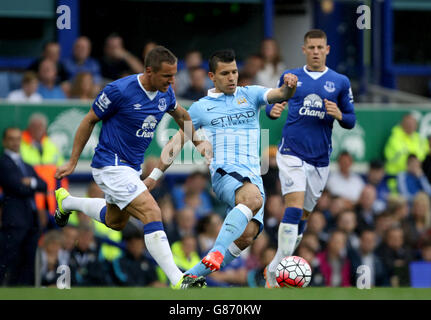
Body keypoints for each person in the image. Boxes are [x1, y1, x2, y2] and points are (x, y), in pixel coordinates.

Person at [53, 46, 211, 289]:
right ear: (149, 71)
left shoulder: (164, 93)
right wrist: (73, 161)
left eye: (174, 75)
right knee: (152, 212)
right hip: (110, 165)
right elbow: (88, 120)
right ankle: (179, 280)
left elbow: (182, 116)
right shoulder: (119, 90)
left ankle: (67, 202)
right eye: (167, 76)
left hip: (131, 168)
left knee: (115, 221)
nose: (172, 81)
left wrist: (199, 144)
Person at [144, 49, 297, 281]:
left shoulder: (251, 94)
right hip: (225, 172)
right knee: (252, 200)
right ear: (212, 76)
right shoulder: (200, 107)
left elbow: (281, 93)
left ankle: (190, 279)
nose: (232, 77)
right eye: (225, 73)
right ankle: (216, 251)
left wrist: (290, 86)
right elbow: (176, 143)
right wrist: (155, 175)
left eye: (234, 71)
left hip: (253, 176)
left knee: (247, 235)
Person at [264, 29, 356, 288]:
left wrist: (339, 113)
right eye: (311, 47)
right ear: (304, 50)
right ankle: (277, 270)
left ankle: (276, 265)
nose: (315, 51)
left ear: (327, 50)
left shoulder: (340, 82)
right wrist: (275, 109)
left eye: (320, 47)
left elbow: (350, 119)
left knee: (303, 217)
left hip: (320, 160)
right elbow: (272, 108)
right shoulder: (292, 77)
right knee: (292, 208)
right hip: (291, 152)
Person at [0, 127, 47, 286]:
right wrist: (30, 183)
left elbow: (43, 184)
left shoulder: (26, 165)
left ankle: (22, 290)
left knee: (27, 260)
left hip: (31, 219)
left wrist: (30, 182)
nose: (15, 143)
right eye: (11, 139)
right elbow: (17, 187)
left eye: (18, 139)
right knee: (7, 257)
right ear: (4, 141)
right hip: (14, 219)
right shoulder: (3, 163)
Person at [21, 112, 66, 219]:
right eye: (35, 126)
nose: (38, 130)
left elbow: (62, 170)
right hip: (30, 198)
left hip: (51, 198)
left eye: (41, 126)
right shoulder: (20, 144)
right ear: (29, 127)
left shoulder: (51, 144)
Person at [384, 113, 429, 192]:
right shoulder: (394, 139)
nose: (410, 126)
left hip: (417, 179)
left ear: (416, 126)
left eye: (413, 124)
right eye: (408, 124)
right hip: (397, 181)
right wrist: (412, 166)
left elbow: (425, 157)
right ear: (402, 124)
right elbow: (396, 160)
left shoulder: (420, 139)